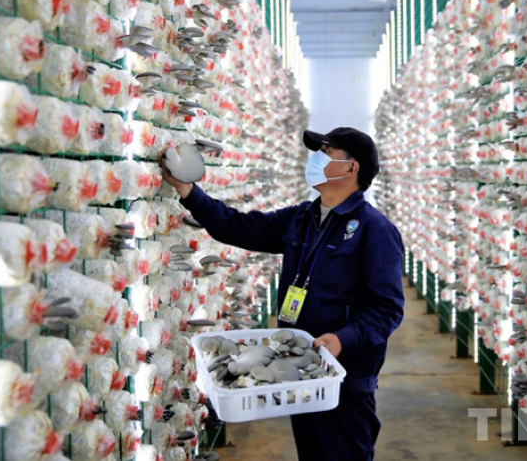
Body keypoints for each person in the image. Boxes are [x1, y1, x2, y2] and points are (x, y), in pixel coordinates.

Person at [161, 127, 405, 461]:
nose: (316, 159)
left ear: (351, 168)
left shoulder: (375, 230)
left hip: (343, 380)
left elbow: (388, 309)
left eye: (326, 152)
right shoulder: (301, 218)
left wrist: (342, 339)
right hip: (300, 369)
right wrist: (188, 191)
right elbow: (238, 226)